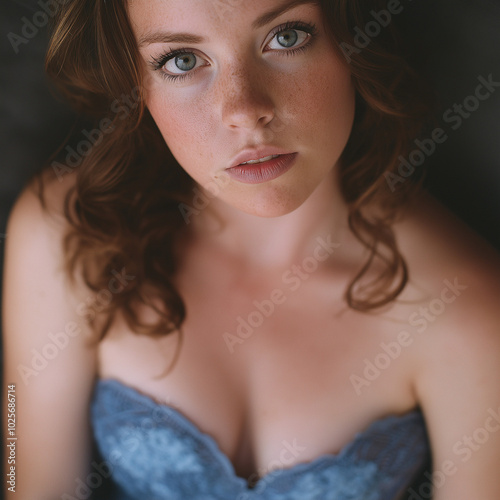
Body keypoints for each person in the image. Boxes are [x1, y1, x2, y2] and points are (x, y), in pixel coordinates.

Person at [3, 1, 500, 499]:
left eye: (286, 37)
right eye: (180, 60)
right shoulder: (66, 234)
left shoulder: (464, 307)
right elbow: (29, 484)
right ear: (136, 83)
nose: (243, 110)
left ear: (354, 38)